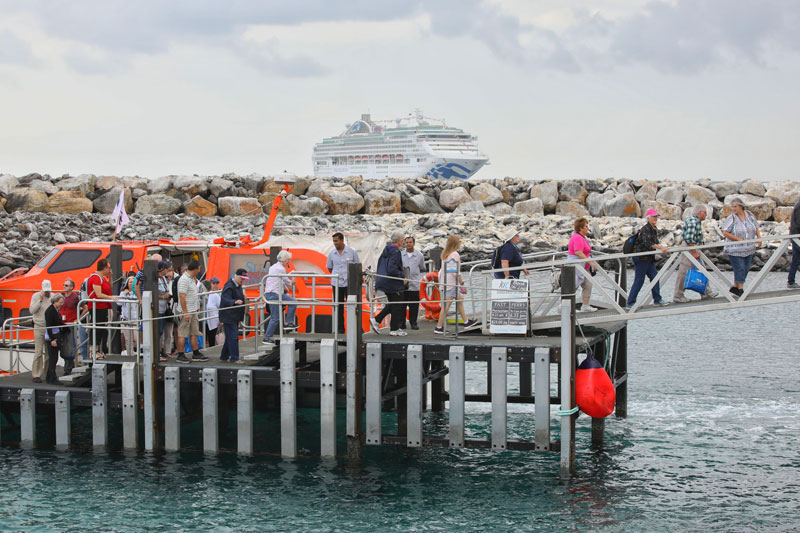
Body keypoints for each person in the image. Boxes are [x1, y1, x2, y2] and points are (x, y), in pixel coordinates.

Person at [673, 204, 718, 303]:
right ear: (700, 212)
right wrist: (694, 251)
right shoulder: (693, 221)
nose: (706, 215)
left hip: (694, 247)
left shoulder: (696, 221)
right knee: (684, 271)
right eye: (705, 213)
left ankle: (706, 292)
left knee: (702, 268)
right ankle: (678, 295)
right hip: (690, 248)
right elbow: (689, 238)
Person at [626, 209, 669, 309]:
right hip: (641, 257)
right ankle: (630, 302)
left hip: (649, 258)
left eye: (656, 217)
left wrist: (662, 246)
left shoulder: (654, 229)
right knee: (639, 280)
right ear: (648, 218)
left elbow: (654, 242)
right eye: (653, 217)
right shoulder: (645, 229)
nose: (655, 218)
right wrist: (660, 248)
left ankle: (657, 299)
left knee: (655, 277)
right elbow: (647, 244)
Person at [434, 235, 477, 334]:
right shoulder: (455, 255)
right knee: (446, 305)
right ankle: (439, 327)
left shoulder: (445, 254)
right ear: (455, 243)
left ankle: (466, 322)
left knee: (460, 299)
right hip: (450, 283)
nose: (460, 243)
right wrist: (462, 284)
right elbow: (455, 272)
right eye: (459, 241)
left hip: (445, 282)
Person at [722, 198, 761, 297]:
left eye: (735, 206)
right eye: (732, 207)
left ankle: (735, 287)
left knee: (746, 268)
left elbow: (756, 227)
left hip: (749, 248)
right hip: (735, 249)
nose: (733, 209)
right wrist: (738, 239)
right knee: (740, 268)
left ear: (741, 206)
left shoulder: (750, 215)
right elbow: (725, 232)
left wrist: (759, 238)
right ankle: (740, 290)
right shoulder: (732, 218)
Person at [371, 233, 407, 336]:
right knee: (398, 304)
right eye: (402, 240)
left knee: (393, 304)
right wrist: (402, 275)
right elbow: (392, 269)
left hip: (383, 281)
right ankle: (393, 328)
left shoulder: (386, 250)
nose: (403, 242)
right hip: (393, 282)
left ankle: (380, 321)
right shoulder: (396, 252)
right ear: (399, 240)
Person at [175, 260, 208, 364]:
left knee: (194, 332)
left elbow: (193, 294)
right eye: (198, 268)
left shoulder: (192, 279)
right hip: (187, 311)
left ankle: (195, 352)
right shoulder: (184, 279)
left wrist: (196, 306)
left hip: (193, 310)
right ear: (194, 269)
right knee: (183, 333)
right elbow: (182, 296)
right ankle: (180, 354)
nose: (199, 271)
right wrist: (185, 312)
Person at [327, 232, 360, 333]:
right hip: (337, 284)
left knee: (352, 306)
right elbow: (329, 267)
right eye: (333, 241)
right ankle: (340, 329)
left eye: (336, 241)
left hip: (349, 283)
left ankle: (352, 329)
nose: (335, 243)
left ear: (342, 240)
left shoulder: (352, 252)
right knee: (338, 307)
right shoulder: (331, 253)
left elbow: (357, 265)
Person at [264, 251, 299, 343]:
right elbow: (287, 281)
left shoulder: (274, 267)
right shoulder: (281, 269)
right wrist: (292, 281)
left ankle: (288, 322)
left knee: (293, 301)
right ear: (284, 260)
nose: (289, 262)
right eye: (288, 260)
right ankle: (267, 338)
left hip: (274, 293)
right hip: (274, 294)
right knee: (275, 317)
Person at [87, 259, 117, 360]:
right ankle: (94, 351)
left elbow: (109, 287)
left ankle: (100, 349)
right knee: (97, 329)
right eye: (108, 268)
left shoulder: (101, 278)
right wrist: (110, 298)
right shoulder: (95, 278)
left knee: (102, 330)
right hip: (97, 307)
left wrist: (110, 277)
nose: (109, 269)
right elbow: (98, 294)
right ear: (104, 268)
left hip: (103, 307)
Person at [568, 218, 597, 312]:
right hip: (577, 266)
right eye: (586, 226)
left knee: (588, 285)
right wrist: (591, 262)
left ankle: (585, 305)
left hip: (584, 267)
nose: (587, 228)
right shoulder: (577, 237)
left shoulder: (582, 237)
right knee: (573, 286)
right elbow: (578, 252)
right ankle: (564, 307)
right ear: (580, 228)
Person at [219, 269, 247, 364]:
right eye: (241, 278)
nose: (242, 280)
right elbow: (225, 299)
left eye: (243, 279)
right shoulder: (229, 286)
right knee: (233, 337)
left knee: (230, 337)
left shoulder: (237, 285)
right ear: (236, 276)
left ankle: (224, 356)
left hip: (234, 316)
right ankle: (234, 358)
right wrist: (234, 302)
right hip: (229, 316)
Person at [29, 279, 52, 383]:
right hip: (38, 326)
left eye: (48, 290)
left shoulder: (53, 297)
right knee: (38, 352)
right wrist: (40, 301)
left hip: (49, 327)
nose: (47, 292)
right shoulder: (35, 296)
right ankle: (36, 374)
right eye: (45, 290)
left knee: (48, 353)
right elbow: (32, 310)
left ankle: (47, 372)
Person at [402, 236, 425, 330]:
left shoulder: (419, 255)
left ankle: (413, 323)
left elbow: (422, 267)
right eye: (406, 242)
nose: (408, 244)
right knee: (402, 305)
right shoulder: (400, 255)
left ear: (414, 243)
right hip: (403, 285)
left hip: (414, 285)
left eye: (410, 242)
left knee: (414, 306)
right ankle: (402, 323)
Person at [44, 294, 69, 384]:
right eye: (60, 302)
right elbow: (49, 326)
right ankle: (52, 378)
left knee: (54, 358)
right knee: (53, 358)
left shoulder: (55, 310)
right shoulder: (50, 311)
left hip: (55, 334)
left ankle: (49, 376)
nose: (61, 304)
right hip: (52, 336)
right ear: (55, 301)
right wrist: (52, 339)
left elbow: (58, 322)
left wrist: (65, 327)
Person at [60, 278, 80, 365]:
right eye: (64, 285)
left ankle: (69, 366)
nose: (64, 287)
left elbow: (85, 308)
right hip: (62, 324)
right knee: (63, 346)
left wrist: (78, 318)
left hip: (71, 324)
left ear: (71, 287)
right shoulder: (61, 296)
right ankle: (66, 365)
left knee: (70, 345)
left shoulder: (75, 297)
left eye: (66, 285)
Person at [119, 276, 138, 352]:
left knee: (137, 338)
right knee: (128, 339)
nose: (132, 284)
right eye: (130, 282)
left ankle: (138, 353)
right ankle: (130, 355)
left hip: (135, 318)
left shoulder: (137, 292)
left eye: (133, 282)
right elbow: (119, 303)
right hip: (126, 318)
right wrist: (124, 295)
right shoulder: (123, 292)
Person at [205, 277, 221, 347]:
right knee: (207, 339)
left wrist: (221, 320)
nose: (215, 285)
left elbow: (221, 308)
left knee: (213, 339)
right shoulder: (207, 294)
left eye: (217, 283)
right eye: (213, 283)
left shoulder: (217, 295)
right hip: (206, 321)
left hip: (215, 321)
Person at [788, 199, 800, 289]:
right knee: (796, 260)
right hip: (797, 237)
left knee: (795, 260)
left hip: (795, 235)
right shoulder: (799, 206)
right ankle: (791, 282)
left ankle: (791, 281)